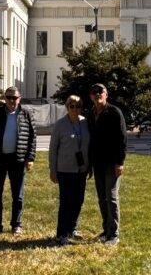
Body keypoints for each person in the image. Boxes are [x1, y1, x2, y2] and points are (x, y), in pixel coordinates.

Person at [0, 86, 36, 234]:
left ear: (19, 98)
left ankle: (16, 224)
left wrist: (30, 157)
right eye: (9, 97)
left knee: (18, 195)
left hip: (18, 159)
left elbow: (33, 137)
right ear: (4, 98)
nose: (11, 101)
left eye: (14, 98)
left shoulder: (26, 114)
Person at [87, 83, 126, 245]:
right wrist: (89, 164)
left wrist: (120, 162)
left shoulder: (114, 112)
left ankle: (114, 234)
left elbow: (122, 138)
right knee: (102, 198)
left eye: (100, 92)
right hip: (97, 163)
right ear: (91, 96)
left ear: (106, 94)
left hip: (112, 163)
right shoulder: (91, 114)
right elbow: (90, 140)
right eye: (94, 92)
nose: (97, 95)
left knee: (111, 197)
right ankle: (106, 229)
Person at [49, 95, 91, 245]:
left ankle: (72, 228)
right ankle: (61, 234)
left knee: (78, 200)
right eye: (72, 106)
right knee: (66, 202)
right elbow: (53, 149)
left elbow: (89, 146)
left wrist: (89, 166)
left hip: (81, 169)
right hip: (65, 169)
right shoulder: (60, 125)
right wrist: (53, 169)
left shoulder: (85, 122)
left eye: (78, 106)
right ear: (67, 107)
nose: (75, 109)